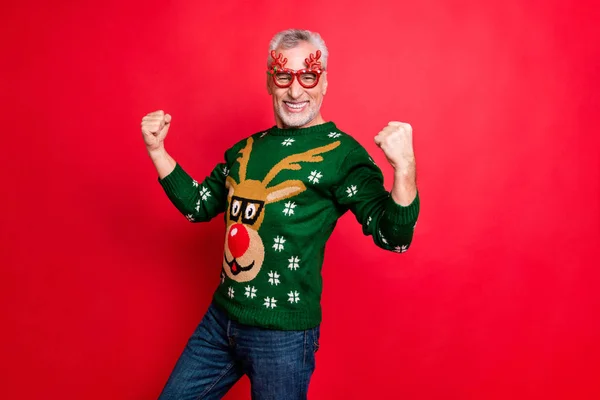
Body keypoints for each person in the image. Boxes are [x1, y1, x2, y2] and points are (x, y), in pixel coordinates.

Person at [141, 29, 419, 400]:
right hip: (220, 321)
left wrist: (405, 169)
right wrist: (158, 150)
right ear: (269, 81)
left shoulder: (342, 155)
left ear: (324, 82)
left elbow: (394, 238)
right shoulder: (244, 151)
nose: (295, 91)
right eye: (283, 76)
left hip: (283, 336)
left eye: (308, 76)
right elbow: (198, 206)